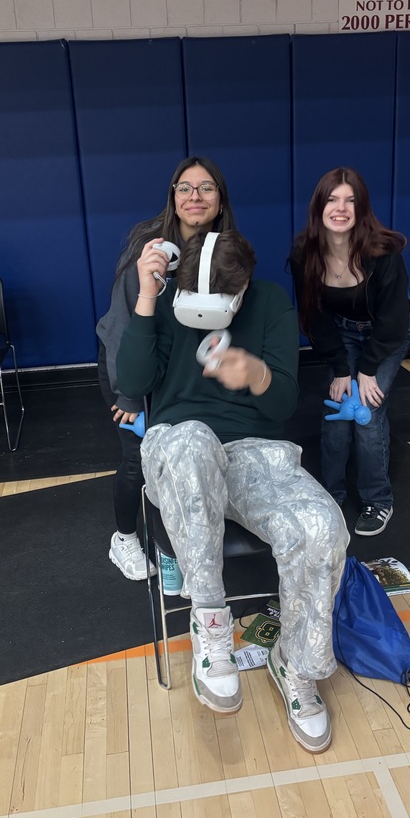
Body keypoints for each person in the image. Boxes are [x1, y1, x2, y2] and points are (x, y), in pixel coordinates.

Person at [116, 230, 349, 753]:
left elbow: (284, 403)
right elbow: (131, 381)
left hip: (254, 450)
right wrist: (148, 299)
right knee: (193, 441)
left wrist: (259, 374)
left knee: (322, 526)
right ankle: (212, 629)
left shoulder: (267, 302)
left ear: (243, 288)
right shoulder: (163, 297)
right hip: (178, 450)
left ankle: (296, 664)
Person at [96, 157, 237, 581]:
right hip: (129, 368)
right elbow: (122, 323)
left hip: (181, 373)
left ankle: (173, 545)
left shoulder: (225, 252)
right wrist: (129, 395)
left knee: (181, 460)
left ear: (220, 198)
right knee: (138, 460)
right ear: (173, 198)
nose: (195, 196)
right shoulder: (149, 246)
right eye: (185, 188)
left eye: (206, 187)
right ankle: (124, 538)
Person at [290, 167, 410, 537]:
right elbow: (314, 317)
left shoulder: (384, 252)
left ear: (362, 209)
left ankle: (378, 499)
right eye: (332, 199)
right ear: (319, 206)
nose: (340, 208)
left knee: (367, 413)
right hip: (341, 334)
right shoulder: (304, 254)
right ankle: (331, 494)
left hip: (385, 337)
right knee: (337, 412)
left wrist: (367, 370)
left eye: (350, 200)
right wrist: (342, 368)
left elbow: (392, 320)